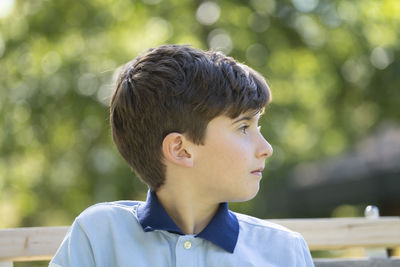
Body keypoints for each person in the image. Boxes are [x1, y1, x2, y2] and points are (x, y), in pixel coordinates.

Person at [50, 44, 314, 267]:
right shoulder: (98, 235)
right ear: (181, 149)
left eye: (258, 126)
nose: (266, 148)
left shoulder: (284, 251)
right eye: (243, 127)